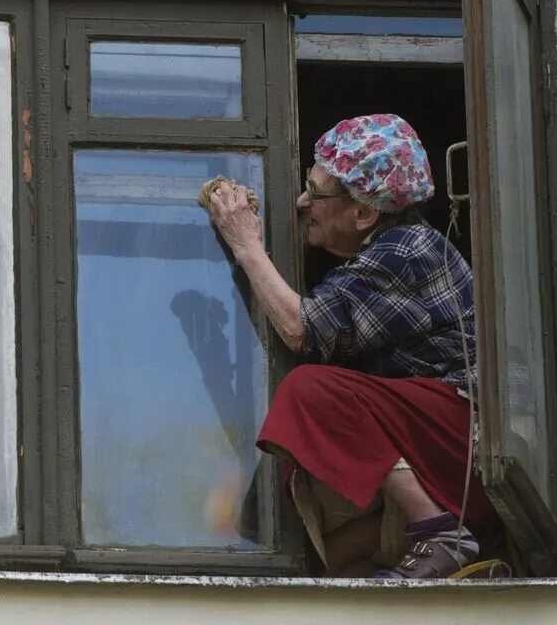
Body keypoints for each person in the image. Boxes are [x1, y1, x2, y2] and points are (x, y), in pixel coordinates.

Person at [204, 113, 492, 579]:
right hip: (447, 458)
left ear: (364, 213)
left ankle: (437, 531)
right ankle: (436, 541)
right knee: (302, 551)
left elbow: (303, 331)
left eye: (315, 193)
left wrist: (247, 245)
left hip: (464, 444)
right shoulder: (379, 254)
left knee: (310, 392)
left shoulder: (406, 251)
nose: (301, 202)